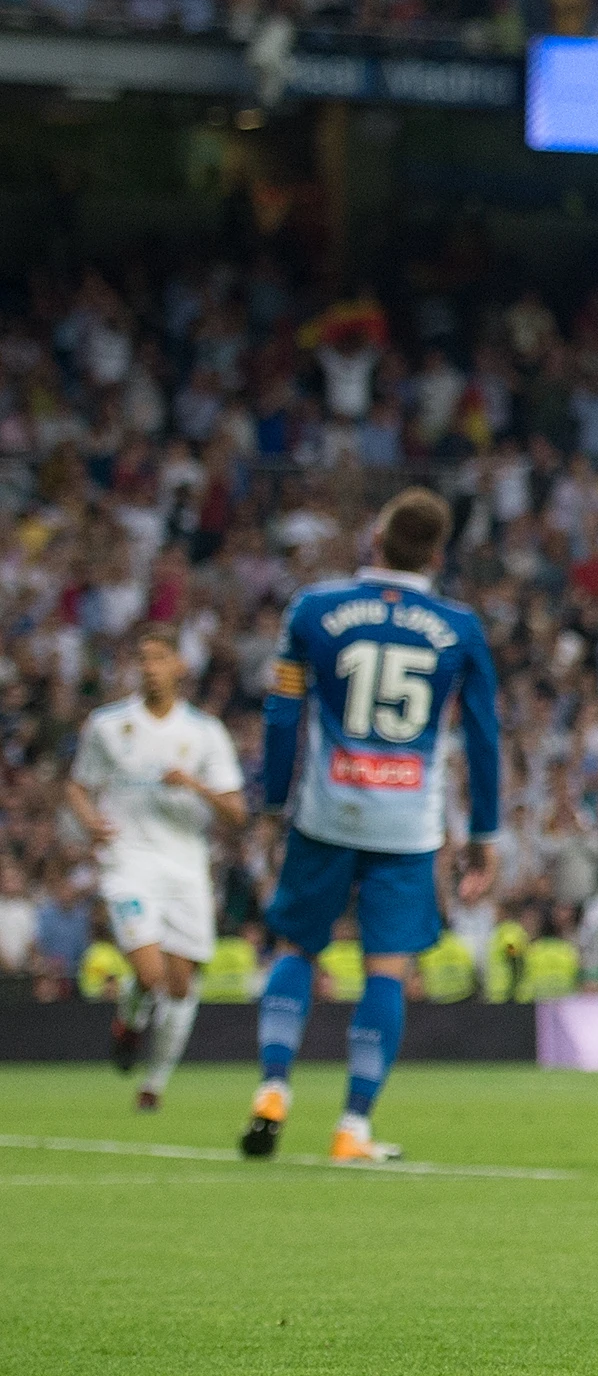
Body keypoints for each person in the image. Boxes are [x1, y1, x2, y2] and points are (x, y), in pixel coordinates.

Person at [243, 488, 502, 1164]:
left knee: (297, 948)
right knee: (385, 970)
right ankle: (352, 1126)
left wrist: (274, 804)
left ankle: (273, 1085)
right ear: (438, 555)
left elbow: (280, 714)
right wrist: (485, 833)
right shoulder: (460, 627)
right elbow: (482, 736)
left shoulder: (315, 609)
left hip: (327, 809)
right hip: (408, 825)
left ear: (375, 539)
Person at [69, 621, 247, 1111]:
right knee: (151, 975)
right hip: (129, 862)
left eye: (158, 658)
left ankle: (155, 1082)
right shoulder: (108, 726)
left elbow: (237, 812)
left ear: (179, 666)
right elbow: (77, 785)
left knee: (181, 985)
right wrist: (89, 821)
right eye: (142, 659)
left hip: (186, 866)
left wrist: (195, 786)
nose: (148, 668)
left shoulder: (204, 733)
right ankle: (129, 1017)